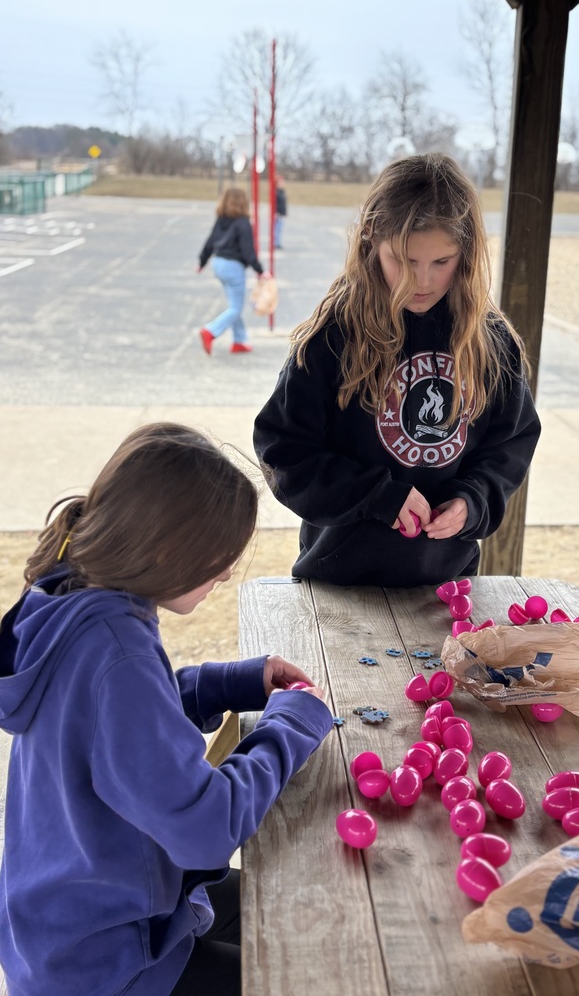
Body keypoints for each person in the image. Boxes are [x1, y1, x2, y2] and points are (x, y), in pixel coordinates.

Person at [0, 422, 332, 996]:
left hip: (65, 918)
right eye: (221, 556)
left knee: (291, 911)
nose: (227, 573)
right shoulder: (117, 651)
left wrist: (231, 684)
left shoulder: (75, 599)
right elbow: (207, 827)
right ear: (168, 551)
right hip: (104, 963)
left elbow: (118, 728)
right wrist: (290, 725)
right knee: (304, 971)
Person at [253, 152, 541, 588]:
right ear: (371, 241)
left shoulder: (490, 342)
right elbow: (283, 451)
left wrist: (474, 500)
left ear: (465, 253)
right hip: (337, 581)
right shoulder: (333, 336)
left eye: (441, 262)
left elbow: (511, 443)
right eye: (404, 261)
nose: (421, 281)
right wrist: (376, 496)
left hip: (446, 584)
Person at [197, 187, 268, 355]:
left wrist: (202, 261)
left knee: (233, 305)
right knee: (236, 308)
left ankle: (239, 340)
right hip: (233, 267)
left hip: (218, 264)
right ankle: (210, 331)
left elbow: (209, 242)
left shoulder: (221, 219)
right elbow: (248, 251)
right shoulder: (243, 223)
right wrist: (260, 271)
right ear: (243, 202)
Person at [273, 175, 287, 249]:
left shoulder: (282, 192)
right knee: (276, 229)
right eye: (280, 182)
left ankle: (277, 242)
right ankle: (275, 243)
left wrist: (284, 213)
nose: (282, 184)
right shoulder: (276, 192)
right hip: (277, 214)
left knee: (279, 228)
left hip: (281, 213)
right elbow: (275, 204)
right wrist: (275, 212)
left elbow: (283, 204)